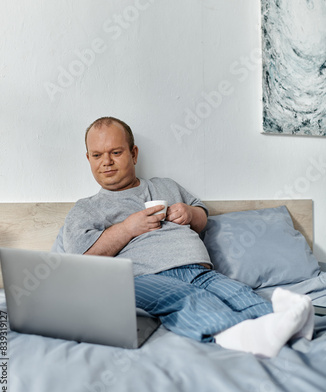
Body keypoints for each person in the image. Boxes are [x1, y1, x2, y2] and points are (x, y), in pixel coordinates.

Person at [53, 116, 314, 357]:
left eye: (116, 152)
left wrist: (190, 213)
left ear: (133, 154)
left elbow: (202, 217)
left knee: (240, 294)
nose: (106, 161)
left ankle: (286, 329)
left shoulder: (166, 185)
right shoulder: (85, 208)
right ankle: (235, 335)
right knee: (187, 299)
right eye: (97, 155)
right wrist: (127, 228)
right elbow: (81, 261)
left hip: (199, 271)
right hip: (143, 277)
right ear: (88, 159)